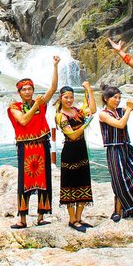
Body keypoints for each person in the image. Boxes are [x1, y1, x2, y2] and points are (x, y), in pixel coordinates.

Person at [7, 57, 59, 229]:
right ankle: (22, 219)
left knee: (44, 180)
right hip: (25, 147)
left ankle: (41, 217)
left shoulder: (40, 103)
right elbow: (23, 121)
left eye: (30, 89)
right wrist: (36, 106)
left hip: (42, 144)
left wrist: (55, 66)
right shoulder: (14, 107)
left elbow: (53, 89)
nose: (28, 92)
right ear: (19, 92)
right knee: (25, 181)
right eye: (24, 89)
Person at [99, 80, 133, 224]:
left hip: (126, 147)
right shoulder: (103, 114)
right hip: (114, 149)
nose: (117, 100)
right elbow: (120, 124)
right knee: (120, 181)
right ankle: (118, 211)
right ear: (106, 99)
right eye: (114, 97)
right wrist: (128, 110)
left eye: (119, 97)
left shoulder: (120, 110)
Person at [55, 82, 95, 232]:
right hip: (70, 153)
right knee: (70, 185)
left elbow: (92, 109)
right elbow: (72, 135)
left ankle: (79, 217)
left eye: (71, 97)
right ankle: (72, 219)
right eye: (66, 97)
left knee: (83, 182)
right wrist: (85, 125)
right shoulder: (60, 116)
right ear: (61, 98)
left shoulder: (77, 111)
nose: (69, 100)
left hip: (81, 151)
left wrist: (89, 90)